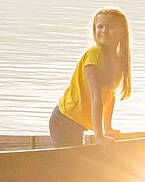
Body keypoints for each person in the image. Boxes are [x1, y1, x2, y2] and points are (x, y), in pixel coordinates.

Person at [50, 8, 132, 147]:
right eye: (100, 26)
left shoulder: (118, 60)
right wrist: (99, 137)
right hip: (65, 120)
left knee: (76, 164)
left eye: (111, 27)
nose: (104, 31)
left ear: (122, 32)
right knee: (70, 165)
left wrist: (108, 128)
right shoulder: (94, 55)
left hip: (77, 123)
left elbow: (109, 96)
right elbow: (96, 97)